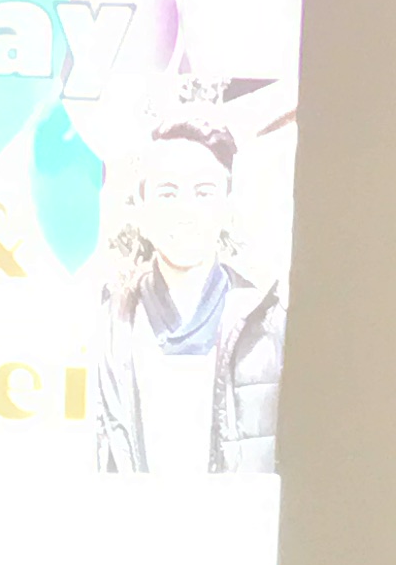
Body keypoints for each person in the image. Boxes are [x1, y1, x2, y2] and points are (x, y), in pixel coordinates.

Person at [88, 119, 286, 474]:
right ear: (141, 205)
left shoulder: (270, 324)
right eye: (168, 193)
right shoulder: (107, 325)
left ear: (227, 205)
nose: (186, 210)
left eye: (203, 192)